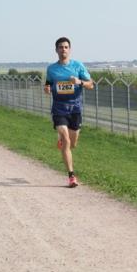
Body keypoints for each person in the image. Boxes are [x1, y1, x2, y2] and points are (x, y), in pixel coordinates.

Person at [43, 36, 94, 187]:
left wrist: (80, 82)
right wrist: (47, 88)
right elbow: (48, 84)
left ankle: (63, 142)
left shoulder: (78, 66)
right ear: (56, 50)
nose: (63, 50)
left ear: (69, 50)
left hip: (75, 109)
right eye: (60, 47)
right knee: (66, 140)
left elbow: (91, 84)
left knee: (72, 143)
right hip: (59, 108)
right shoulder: (51, 69)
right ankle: (71, 176)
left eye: (66, 47)